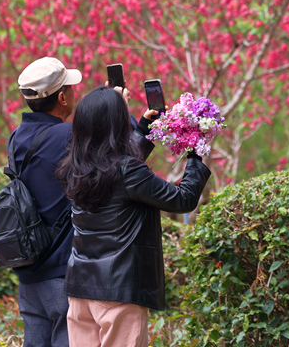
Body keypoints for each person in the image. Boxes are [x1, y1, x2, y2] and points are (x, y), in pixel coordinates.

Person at [56, 86, 211, 347]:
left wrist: (144, 129)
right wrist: (196, 153)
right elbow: (183, 199)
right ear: (117, 124)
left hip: (80, 288)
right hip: (119, 290)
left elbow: (114, 169)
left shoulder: (75, 167)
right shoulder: (127, 172)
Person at [9, 56, 84, 347]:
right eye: (70, 88)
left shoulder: (16, 137)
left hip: (30, 266)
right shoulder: (68, 134)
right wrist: (120, 109)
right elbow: (117, 160)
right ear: (62, 98)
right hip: (61, 268)